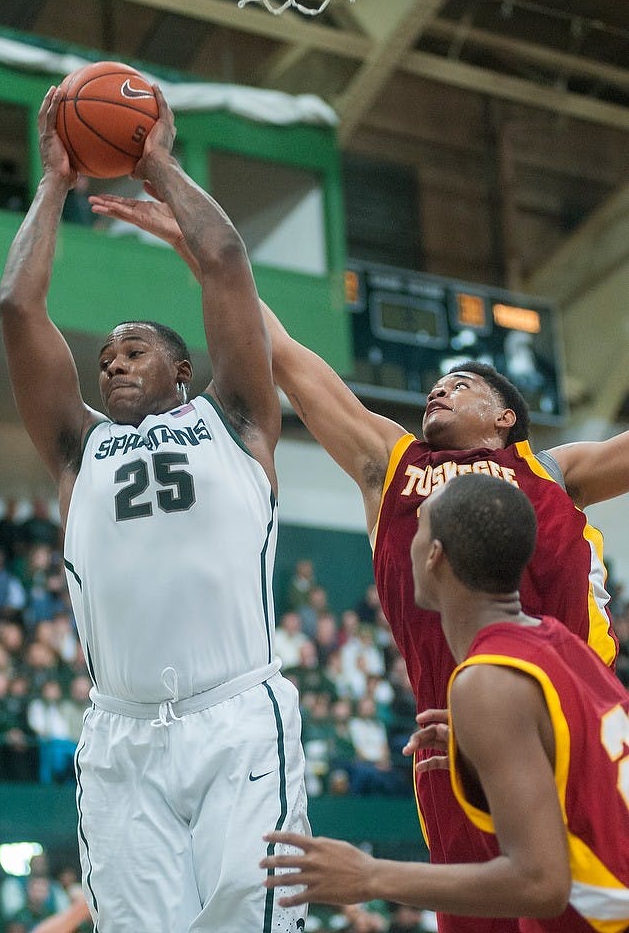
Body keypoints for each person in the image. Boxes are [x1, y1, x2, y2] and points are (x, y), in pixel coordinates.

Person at [84, 179, 626, 933]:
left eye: (459, 386)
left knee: (575, 895)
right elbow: (281, 354)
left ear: (505, 418)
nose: (437, 392)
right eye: (433, 386)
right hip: (455, 726)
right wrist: (193, 247)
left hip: (575, 709)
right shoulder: (389, 460)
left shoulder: (553, 470)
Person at [0, 82, 308, 933]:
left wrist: (157, 162)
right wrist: (54, 182)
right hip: (121, 734)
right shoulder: (78, 448)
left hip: (236, 717)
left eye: (134, 350)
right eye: (104, 356)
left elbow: (227, 263)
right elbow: (17, 308)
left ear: (183, 371)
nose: (112, 364)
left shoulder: (235, 419)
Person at [261, 475, 629, 931]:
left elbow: (541, 884)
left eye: (417, 531)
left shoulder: (487, 682)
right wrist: (507, 741)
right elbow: (592, 759)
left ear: (434, 554)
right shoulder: (558, 642)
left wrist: (371, 875)